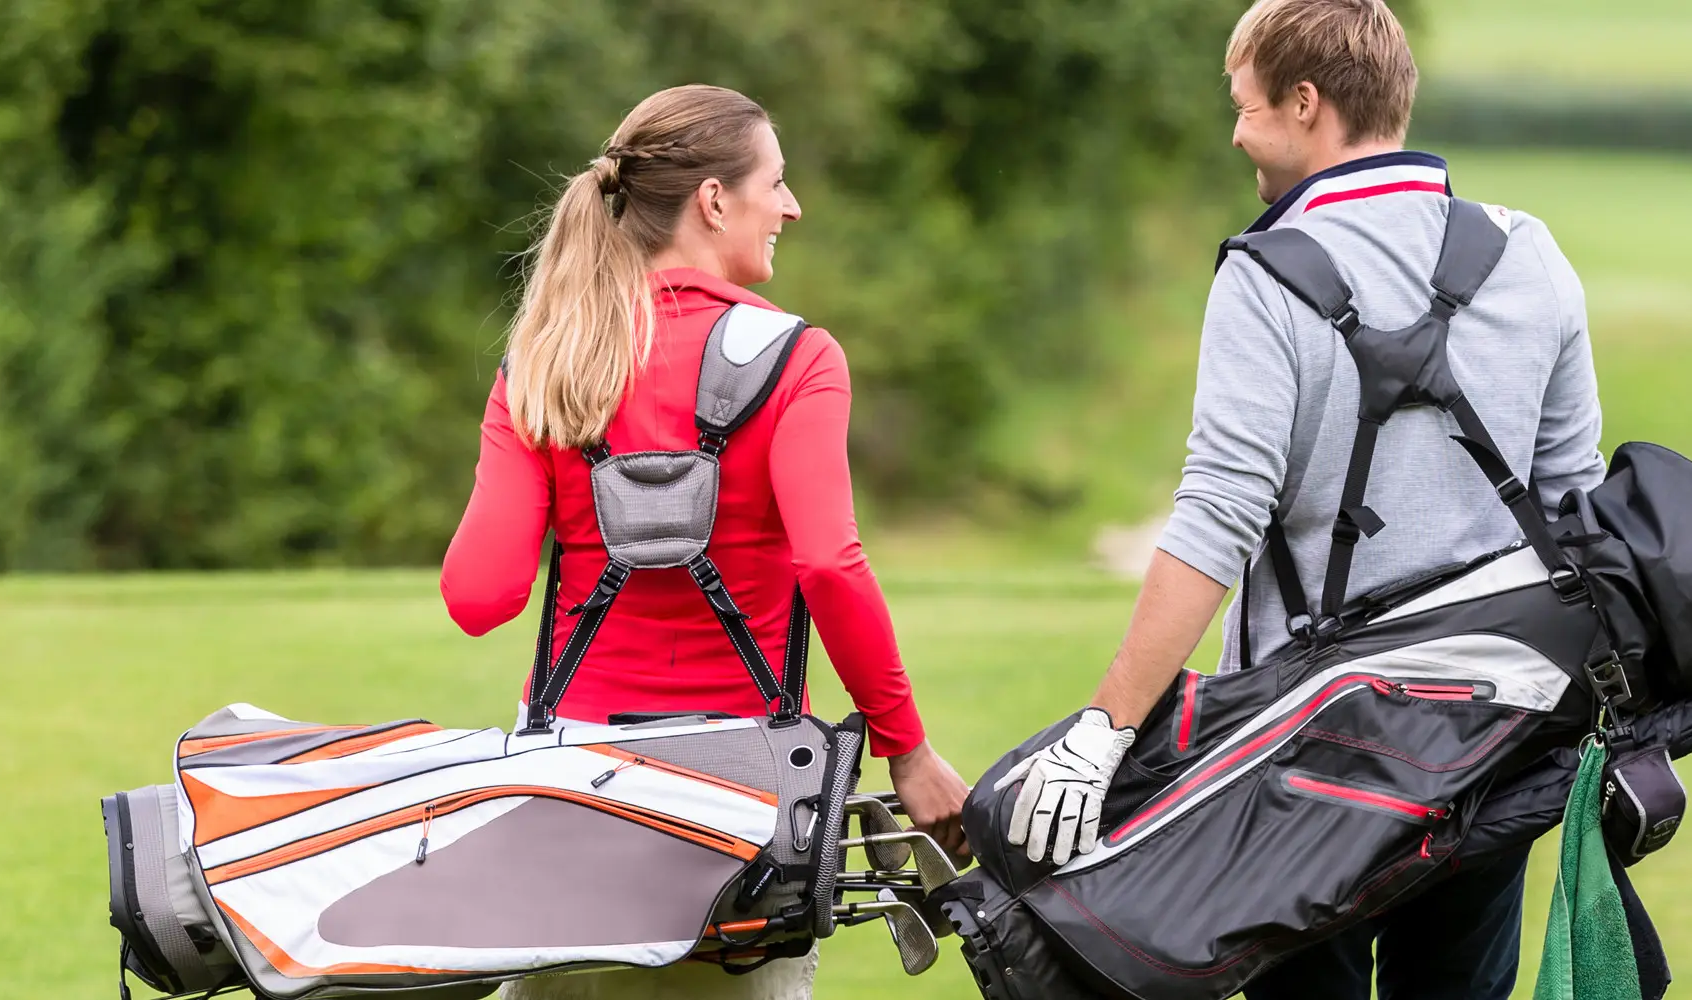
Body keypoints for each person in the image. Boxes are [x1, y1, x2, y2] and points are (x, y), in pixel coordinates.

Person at [997, 2, 1607, 999]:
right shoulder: (1528, 252)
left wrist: (1108, 725)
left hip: (1307, 760)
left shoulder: (1266, 273)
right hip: (1495, 731)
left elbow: (1217, 517)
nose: (1236, 131)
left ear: (1305, 103)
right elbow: (1574, 509)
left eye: (1243, 106)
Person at [439, 84, 969, 1000]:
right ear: (715, 200)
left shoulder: (542, 363)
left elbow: (478, 598)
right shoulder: (800, 358)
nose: (791, 206)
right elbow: (829, 568)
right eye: (778, 181)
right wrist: (907, 750)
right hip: (744, 826)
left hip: (570, 803)